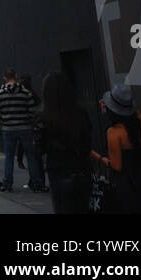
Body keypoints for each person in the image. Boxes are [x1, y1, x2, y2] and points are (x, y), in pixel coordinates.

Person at [92, 83, 141, 213]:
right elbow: (134, 113)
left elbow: (116, 166)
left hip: (128, 184)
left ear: (112, 110)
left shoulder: (113, 133)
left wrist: (97, 156)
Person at [37, 71, 92, 214]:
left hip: (57, 168)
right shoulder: (80, 113)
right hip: (81, 167)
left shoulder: (43, 117)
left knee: (63, 207)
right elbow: (87, 141)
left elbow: (39, 148)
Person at [0, 67, 46, 192]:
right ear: (16, 77)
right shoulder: (25, 93)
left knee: (9, 157)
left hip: (8, 129)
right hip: (24, 127)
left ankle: (7, 184)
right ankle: (37, 183)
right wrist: (28, 122)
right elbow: (31, 111)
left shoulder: (0, 94)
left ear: (5, 78)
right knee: (30, 156)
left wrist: (3, 123)